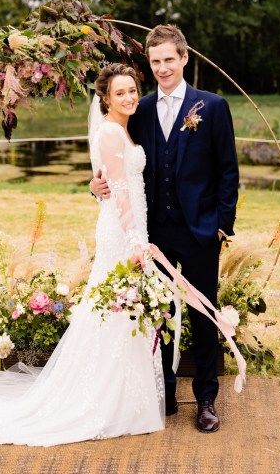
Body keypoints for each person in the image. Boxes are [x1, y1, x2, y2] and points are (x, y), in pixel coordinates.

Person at [0, 64, 167, 445]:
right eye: (120, 93)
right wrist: (135, 244)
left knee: (121, 309)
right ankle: (107, 401)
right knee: (115, 306)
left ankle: (126, 399)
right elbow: (122, 194)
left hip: (132, 228)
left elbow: (118, 184)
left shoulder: (123, 129)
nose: (129, 97)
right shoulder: (111, 133)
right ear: (105, 99)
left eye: (132, 90)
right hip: (121, 233)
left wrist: (137, 234)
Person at [91, 25, 239, 433]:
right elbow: (118, 165)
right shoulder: (138, 108)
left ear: (184, 58)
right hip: (152, 234)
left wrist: (222, 228)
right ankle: (167, 393)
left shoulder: (212, 106)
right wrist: (95, 183)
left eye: (169, 60)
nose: (162, 68)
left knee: (202, 313)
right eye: (155, 62)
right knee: (159, 314)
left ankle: (207, 398)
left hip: (200, 232)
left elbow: (229, 172)